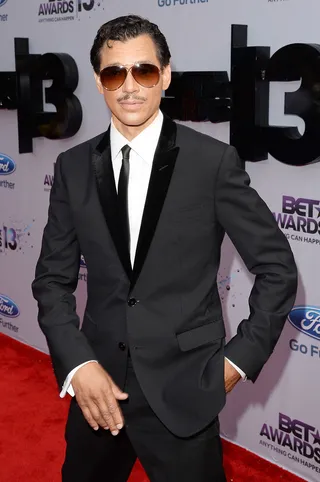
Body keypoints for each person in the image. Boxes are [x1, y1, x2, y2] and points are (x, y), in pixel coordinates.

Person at [32, 14, 298, 482]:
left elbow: (277, 269)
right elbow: (52, 281)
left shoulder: (212, 162)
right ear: (98, 82)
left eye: (145, 71)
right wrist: (78, 364)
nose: (130, 86)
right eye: (115, 73)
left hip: (185, 393)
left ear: (166, 74)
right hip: (99, 391)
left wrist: (235, 364)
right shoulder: (72, 167)